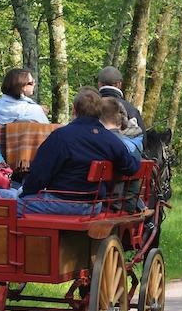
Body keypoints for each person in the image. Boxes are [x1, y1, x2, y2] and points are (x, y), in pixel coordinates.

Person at [18, 87, 140, 216]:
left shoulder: (60, 136)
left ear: (74, 110)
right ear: (100, 112)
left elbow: (39, 174)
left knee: (9, 206)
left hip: (62, 204)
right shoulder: (111, 140)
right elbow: (131, 167)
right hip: (94, 206)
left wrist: (26, 193)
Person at [97, 66, 145, 134]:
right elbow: (143, 139)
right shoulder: (131, 109)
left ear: (99, 84)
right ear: (119, 84)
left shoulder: (89, 106)